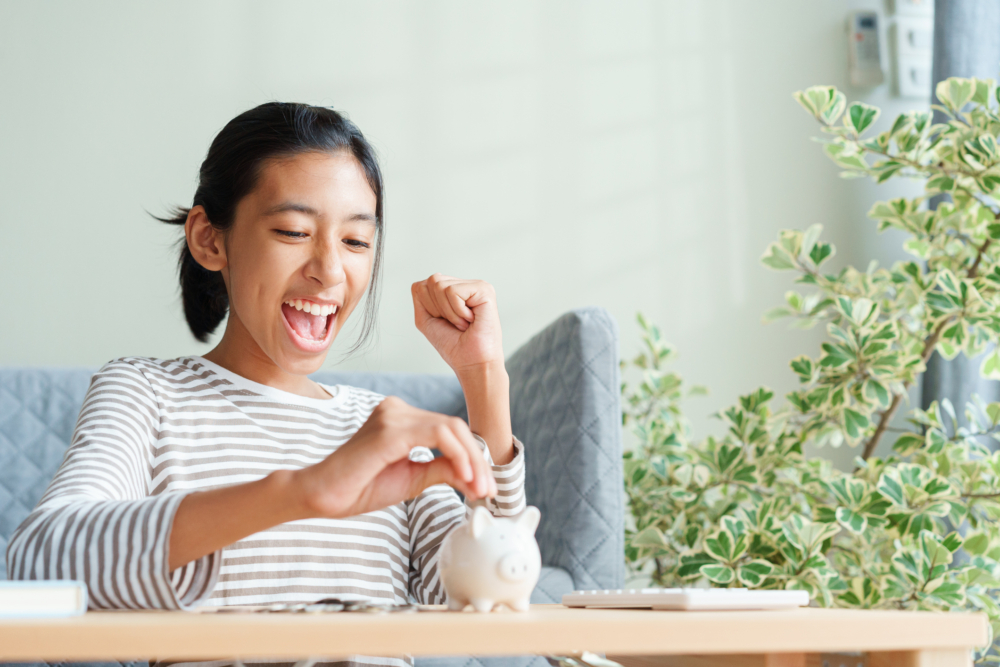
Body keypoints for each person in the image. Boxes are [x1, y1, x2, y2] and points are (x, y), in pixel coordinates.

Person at [5, 102, 526, 667]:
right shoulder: (146, 392)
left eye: (356, 241)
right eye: (293, 231)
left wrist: (483, 379)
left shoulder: (383, 427)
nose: (329, 270)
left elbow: (490, 595)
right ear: (210, 240)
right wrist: (303, 491)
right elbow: (41, 559)